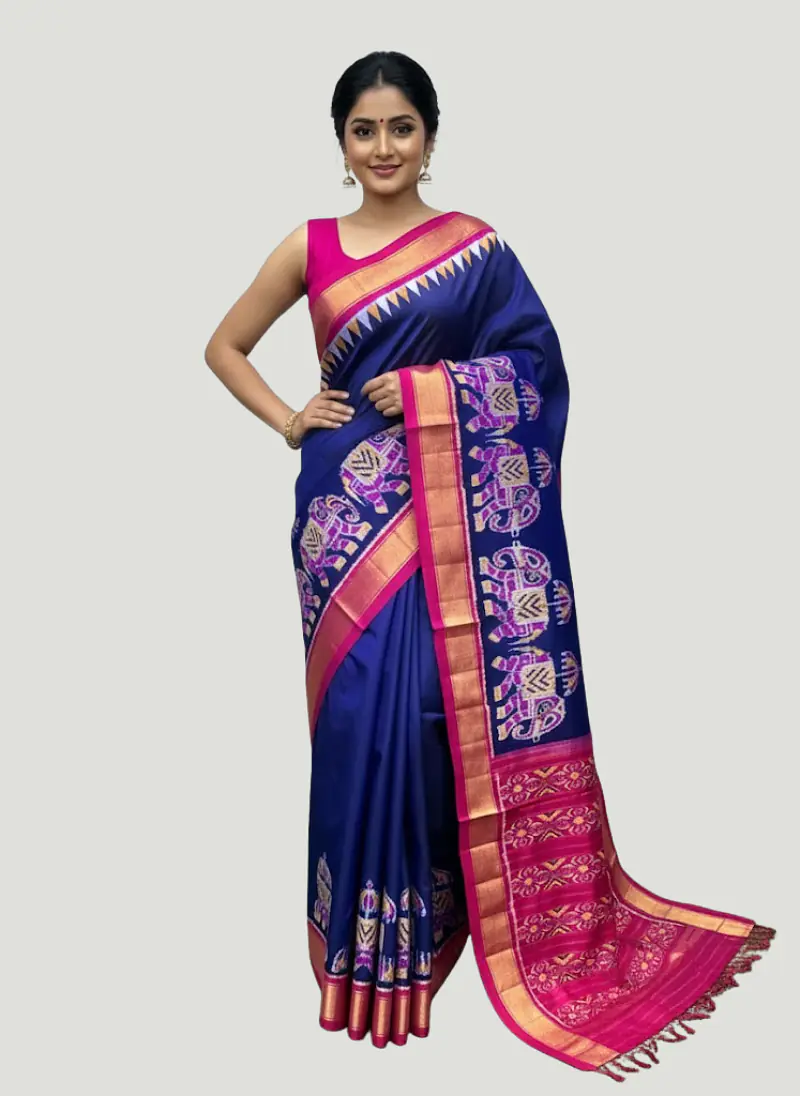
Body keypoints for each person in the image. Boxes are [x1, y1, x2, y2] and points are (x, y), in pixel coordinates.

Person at [204, 50, 774, 1078]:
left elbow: (535, 370)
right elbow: (224, 345)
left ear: (429, 134)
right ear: (341, 142)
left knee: (434, 714)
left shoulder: (473, 248)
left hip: (446, 521)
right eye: (364, 130)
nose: (383, 147)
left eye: (401, 127)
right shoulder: (310, 244)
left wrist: (431, 391)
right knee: (355, 723)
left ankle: (431, 932)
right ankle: (360, 955)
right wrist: (290, 418)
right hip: (343, 519)